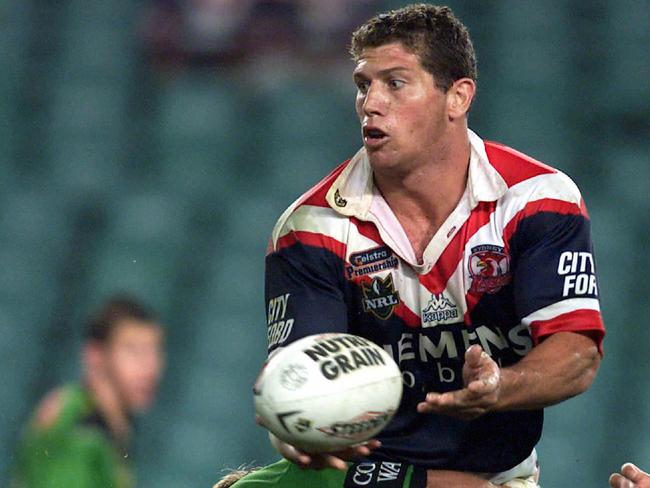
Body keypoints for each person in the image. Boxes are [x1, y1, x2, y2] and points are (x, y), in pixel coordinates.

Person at [254, 3, 605, 487]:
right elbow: (300, 375)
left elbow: (576, 353)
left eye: (395, 84)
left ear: (457, 97)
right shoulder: (311, 227)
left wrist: (500, 387)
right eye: (363, 85)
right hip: (367, 477)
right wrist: (291, 426)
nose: (370, 103)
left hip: (497, 475)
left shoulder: (536, 200)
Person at [13, 295, 165, 488]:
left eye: (156, 351)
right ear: (95, 355)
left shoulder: (113, 428)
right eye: (133, 351)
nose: (151, 368)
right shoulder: (79, 428)